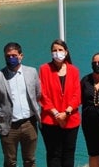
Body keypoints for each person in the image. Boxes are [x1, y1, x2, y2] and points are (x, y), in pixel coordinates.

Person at [0, 42, 41, 167]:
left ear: (21, 56)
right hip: (8, 126)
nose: (11, 58)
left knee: (30, 160)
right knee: (10, 162)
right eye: (8, 56)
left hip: (29, 124)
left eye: (14, 55)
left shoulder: (32, 72)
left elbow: (37, 94)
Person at [39, 39, 81, 167]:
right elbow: (42, 94)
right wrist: (57, 114)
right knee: (53, 154)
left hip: (71, 119)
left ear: (66, 52)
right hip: (50, 120)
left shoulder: (74, 70)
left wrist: (66, 112)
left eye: (60, 50)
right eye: (54, 50)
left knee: (69, 153)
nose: (57, 53)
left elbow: (77, 95)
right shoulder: (44, 69)